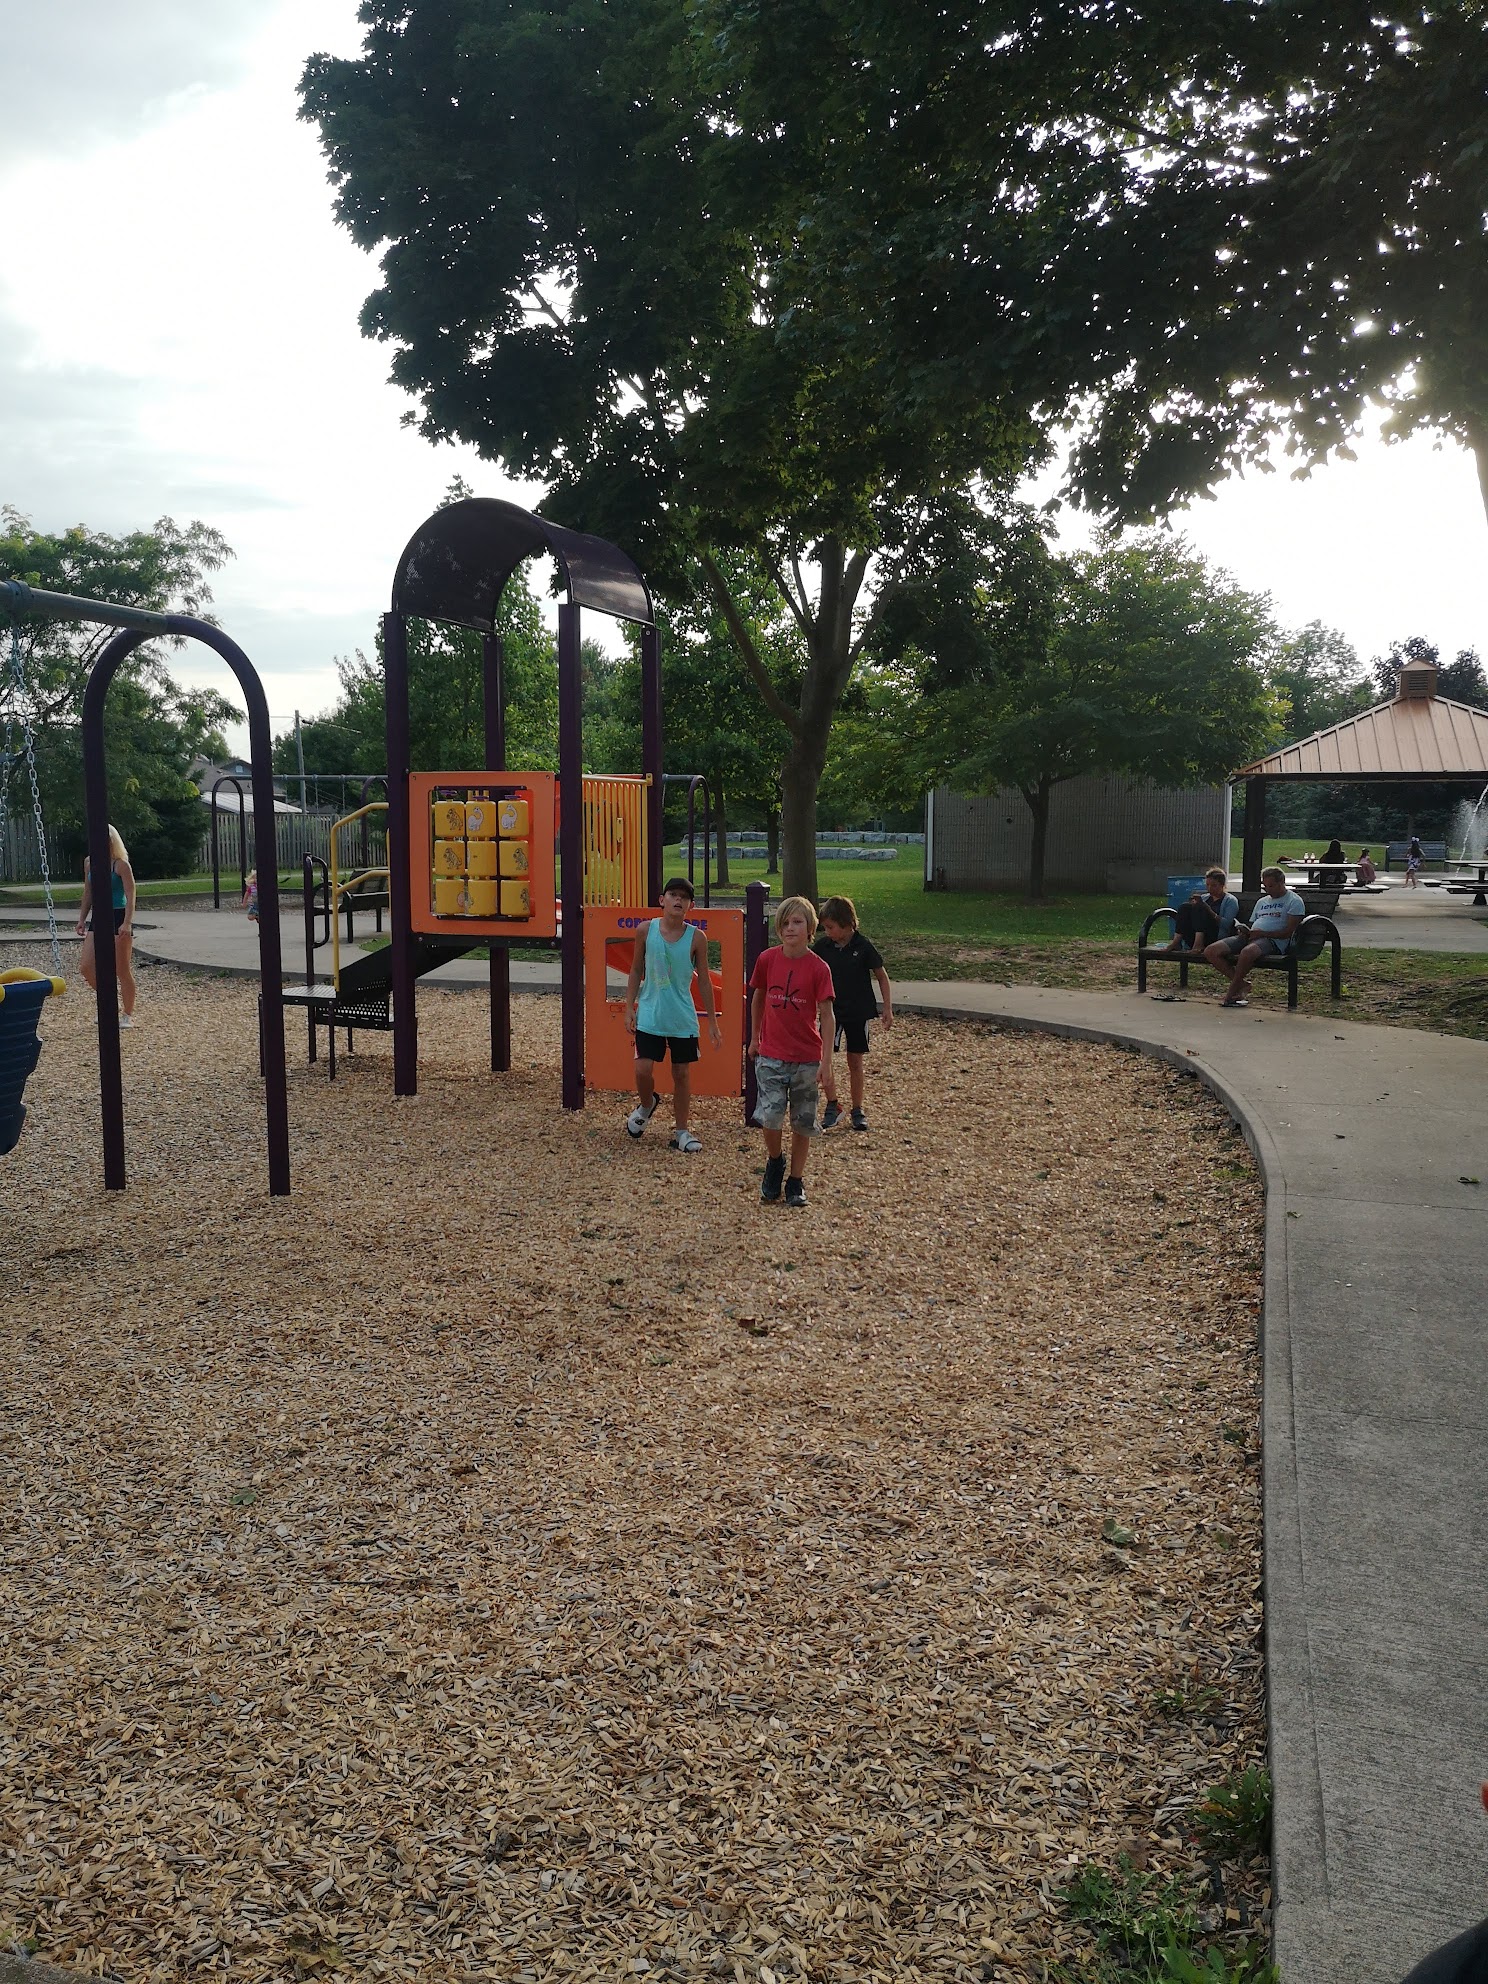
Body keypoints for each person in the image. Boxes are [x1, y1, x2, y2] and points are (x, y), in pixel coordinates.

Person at [623, 876, 722, 1153]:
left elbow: (704, 981)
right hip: (650, 1012)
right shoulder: (646, 930)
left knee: (681, 1073)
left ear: (691, 905)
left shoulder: (697, 938)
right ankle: (647, 1104)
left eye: (685, 897)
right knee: (642, 1068)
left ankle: (681, 1131)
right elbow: (635, 969)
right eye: (673, 895)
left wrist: (712, 1022)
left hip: (682, 1017)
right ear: (662, 900)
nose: (678, 900)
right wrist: (629, 1007)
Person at [748, 895, 834, 1209]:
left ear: (810, 928)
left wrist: (826, 1061)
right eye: (785, 923)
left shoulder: (819, 968)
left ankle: (796, 1180)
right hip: (771, 1053)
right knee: (770, 1118)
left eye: (797, 922)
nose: (790, 928)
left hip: (806, 1057)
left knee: (802, 1121)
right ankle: (775, 1160)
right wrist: (754, 1038)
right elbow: (758, 998)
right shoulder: (767, 960)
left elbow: (827, 1015)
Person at [812, 894, 892, 1130]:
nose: (827, 932)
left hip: (857, 1011)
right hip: (831, 1011)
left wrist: (887, 1008)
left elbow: (881, 976)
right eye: (825, 927)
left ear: (847, 925)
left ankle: (857, 1108)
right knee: (824, 1056)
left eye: (831, 927)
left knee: (855, 1061)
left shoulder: (863, 946)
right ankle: (832, 1104)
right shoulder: (823, 947)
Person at [1204, 865, 1306, 1008]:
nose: (1267, 890)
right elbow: (1253, 924)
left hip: (1273, 940)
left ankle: (1232, 993)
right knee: (1211, 951)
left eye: (1271, 886)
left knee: (1247, 952)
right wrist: (1245, 931)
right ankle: (1242, 984)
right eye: (1265, 886)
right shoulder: (1262, 902)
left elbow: (1288, 932)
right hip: (1252, 936)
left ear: (1282, 882)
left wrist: (1262, 934)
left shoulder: (1294, 901)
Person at [75, 824, 138, 1027]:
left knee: (121, 969)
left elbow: (130, 894)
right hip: (98, 916)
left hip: (118, 915)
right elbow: (88, 892)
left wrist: (127, 922)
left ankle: (127, 1014)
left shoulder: (120, 865)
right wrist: (82, 919)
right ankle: (109, 1003)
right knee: (86, 966)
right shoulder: (89, 862)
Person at [1163, 866, 1238, 957]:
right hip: (1194, 935)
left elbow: (1227, 925)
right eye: (1207, 885)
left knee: (1201, 907)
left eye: (1214, 885)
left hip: (1215, 938)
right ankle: (1176, 942)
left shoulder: (1230, 901)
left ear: (1222, 885)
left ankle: (1199, 944)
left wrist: (1208, 909)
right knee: (1185, 907)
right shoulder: (1205, 897)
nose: (1210, 888)